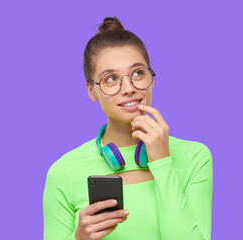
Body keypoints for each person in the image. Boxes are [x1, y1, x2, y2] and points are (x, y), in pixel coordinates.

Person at [43, 16, 213, 240]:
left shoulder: (195, 157)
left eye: (138, 73)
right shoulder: (63, 172)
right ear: (91, 90)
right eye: (111, 78)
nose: (129, 88)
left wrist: (162, 162)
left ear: (151, 77)